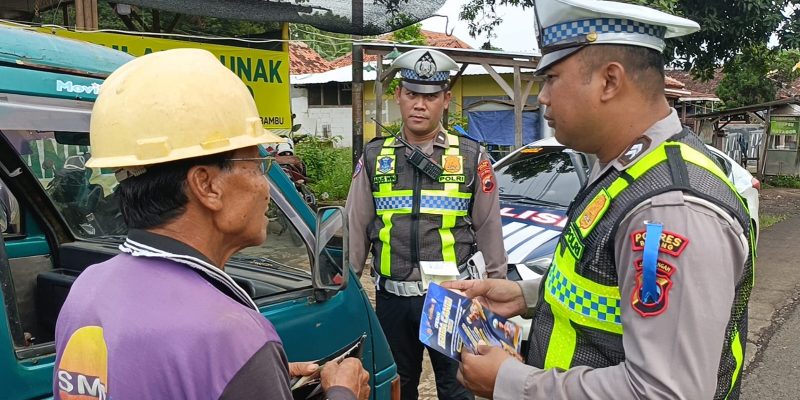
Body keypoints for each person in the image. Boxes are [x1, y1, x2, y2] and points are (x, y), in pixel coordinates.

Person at [443, 0, 756, 398]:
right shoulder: (626, 169)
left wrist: (509, 382)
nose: (542, 98)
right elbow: (610, 285)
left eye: (552, 78)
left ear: (610, 81)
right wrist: (527, 296)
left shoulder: (670, 210)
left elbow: (665, 392)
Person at [53, 48, 369, 400]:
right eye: (257, 166)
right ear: (207, 185)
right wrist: (343, 393)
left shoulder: (89, 288)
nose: (265, 188)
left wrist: (258, 377)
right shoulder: (231, 336)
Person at [346, 48, 508, 400]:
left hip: (451, 296)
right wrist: (347, 288)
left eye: (431, 96)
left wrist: (497, 290)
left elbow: (489, 229)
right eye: (412, 94)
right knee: (397, 385)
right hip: (392, 298)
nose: (420, 104)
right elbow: (356, 227)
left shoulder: (470, 156)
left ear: (446, 99)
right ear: (399, 96)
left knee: (457, 385)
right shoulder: (375, 156)